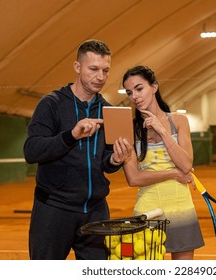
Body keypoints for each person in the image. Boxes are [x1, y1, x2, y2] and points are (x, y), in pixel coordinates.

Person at [23, 39, 129, 260]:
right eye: (93, 69)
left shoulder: (110, 111)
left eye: (105, 70)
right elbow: (31, 151)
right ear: (77, 67)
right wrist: (70, 136)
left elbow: (106, 163)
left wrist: (116, 160)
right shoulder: (51, 104)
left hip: (96, 212)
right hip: (53, 210)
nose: (100, 76)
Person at [113, 65, 205, 260]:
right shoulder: (128, 128)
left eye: (139, 89)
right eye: (129, 92)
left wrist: (162, 131)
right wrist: (173, 174)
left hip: (181, 207)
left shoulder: (179, 121)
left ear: (154, 87)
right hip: (148, 210)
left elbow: (186, 165)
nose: (134, 96)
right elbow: (134, 178)